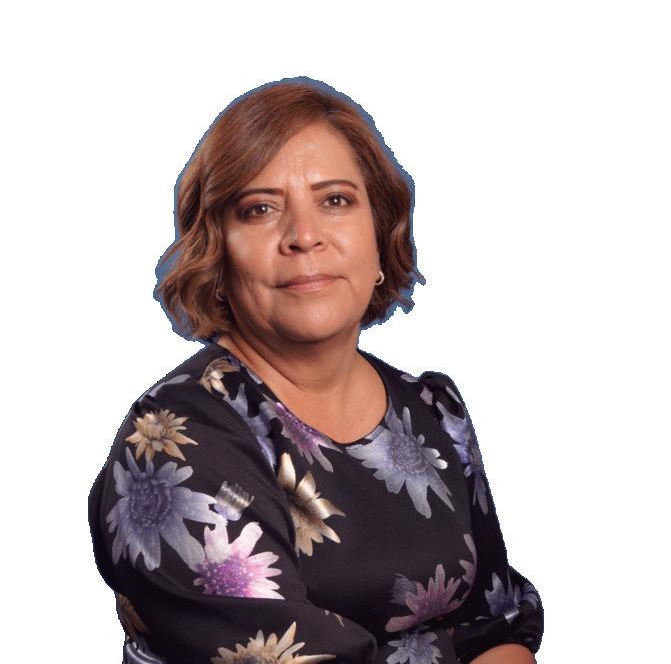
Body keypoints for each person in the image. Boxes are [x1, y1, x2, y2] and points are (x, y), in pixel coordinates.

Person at [88, 77, 543, 664]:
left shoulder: (435, 412)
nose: (304, 237)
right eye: (259, 210)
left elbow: (496, 623)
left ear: (380, 234)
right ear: (217, 254)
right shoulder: (170, 446)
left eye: (335, 201)